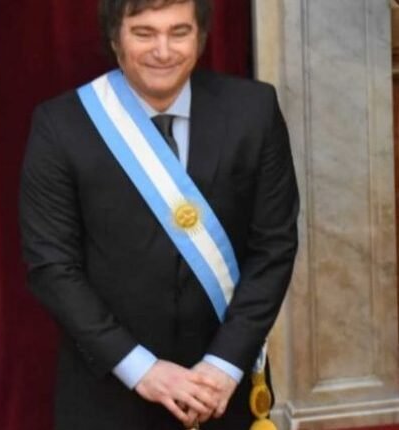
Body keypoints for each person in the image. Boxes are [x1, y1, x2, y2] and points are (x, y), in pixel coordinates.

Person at [19, 0, 299, 429]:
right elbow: (52, 267)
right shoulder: (60, 125)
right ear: (115, 38)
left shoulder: (253, 110)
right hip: (109, 392)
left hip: (221, 389)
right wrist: (141, 369)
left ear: (200, 38)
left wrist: (223, 365)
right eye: (144, 33)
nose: (163, 51)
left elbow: (274, 247)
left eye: (178, 32)